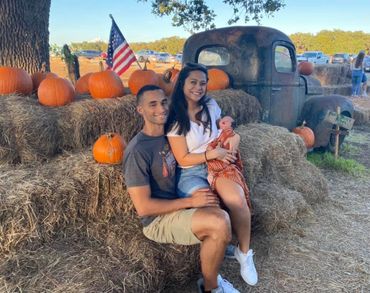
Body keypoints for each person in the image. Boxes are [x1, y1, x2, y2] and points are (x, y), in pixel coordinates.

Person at [123, 85, 240, 293]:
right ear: (140, 110)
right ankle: (210, 288)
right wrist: (191, 202)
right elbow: (143, 208)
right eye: (153, 104)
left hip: (180, 199)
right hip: (159, 220)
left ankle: (220, 244)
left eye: (164, 102)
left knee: (226, 196)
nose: (161, 108)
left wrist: (228, 126)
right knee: (219, 223)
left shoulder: (173, 129)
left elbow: (206, 113)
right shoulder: (138, 151)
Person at [165, 63, 258, 286]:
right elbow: (183, 159)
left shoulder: (210, 104)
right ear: (182, 84)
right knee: (216, 217)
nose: (198, 87)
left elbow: (221, 128)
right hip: (192, 171)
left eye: (203, 83)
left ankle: (244, 253)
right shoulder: (175, 117)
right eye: (193, 82)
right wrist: (211, 153)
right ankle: (212, 280)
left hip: (218, 162)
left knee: (236, 200)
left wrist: (232, 135)